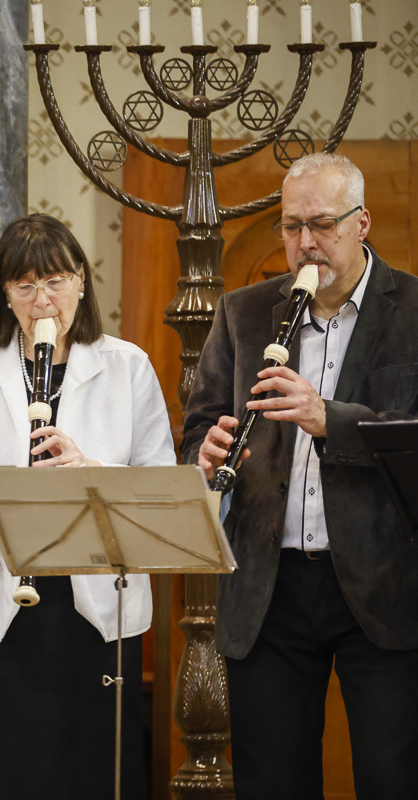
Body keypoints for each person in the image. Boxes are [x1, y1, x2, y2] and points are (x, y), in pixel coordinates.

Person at [181, 152, 418, 798]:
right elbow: (197, 429)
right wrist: (206, 453)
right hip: (270, 585)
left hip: (385, 582)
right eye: (291, 226)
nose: (305, 243)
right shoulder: (243, 313)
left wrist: (327, 418)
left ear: (361, 222)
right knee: (272, 781)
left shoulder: (412, 309)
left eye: (322, 224)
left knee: (393, 777)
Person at [0, 214, 175, 799]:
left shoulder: (128, 365)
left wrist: (90, 470)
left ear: (82, 282)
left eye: (56, 281)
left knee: (87, 774)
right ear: (5, 294)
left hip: (92, 614)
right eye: (25, 286)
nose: (43, 301)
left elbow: (161, 485)